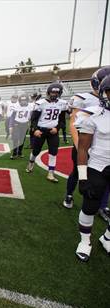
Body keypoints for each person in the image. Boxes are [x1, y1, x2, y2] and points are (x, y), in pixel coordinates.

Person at [63, 66, 110, 210]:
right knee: (77, 172)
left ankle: (101, 206)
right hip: (85, 142)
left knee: (105, 178)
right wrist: (80, 147)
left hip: (103, 146)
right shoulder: (84, 98)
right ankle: (69, 195)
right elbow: (73, 123)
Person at [74, 75, 110, 262]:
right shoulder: (93, 115)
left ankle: (107, 238)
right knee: (90, 206)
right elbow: (82, 148)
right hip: (98, 166)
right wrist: (82, 177)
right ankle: (85, 241)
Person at [26, 82, 67, 182]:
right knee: (36, 151)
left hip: (53, 131)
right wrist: (35, 130)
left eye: (57, 93)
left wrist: (57, 128)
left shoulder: (62, 103)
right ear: (49, 92)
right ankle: (31, 162)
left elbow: (62, 120)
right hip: (41, 130)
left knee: (53, 152)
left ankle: (51, 173)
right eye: (53, 92)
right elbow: (34, 119)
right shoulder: (41, 103)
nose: (54, 95)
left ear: (60, 93)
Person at [9, 93, 33, 159]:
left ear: (27, 100)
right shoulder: (16, 106)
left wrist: (31, 124)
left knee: (22, 139)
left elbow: (32, 116)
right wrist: (11, 125)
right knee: (15, 138)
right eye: (22, 100)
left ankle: (19, 152)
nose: (23, 102)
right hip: (17, 123)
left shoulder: (30, 106)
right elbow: (12, 117)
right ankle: (14, 153)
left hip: (25, 124)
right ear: (19, 101)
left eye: (25, 100)